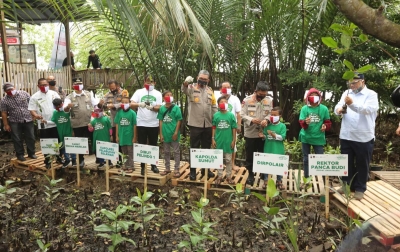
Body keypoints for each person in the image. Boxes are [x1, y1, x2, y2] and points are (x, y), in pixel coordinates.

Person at [334, 73, 378, 200]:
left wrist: (352, 104)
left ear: (362, 81)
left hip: (363, 136)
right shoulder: (347, 93)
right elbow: (338, 106)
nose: (352, 85)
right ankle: (346, 185)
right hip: (346, 134)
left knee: (362, 163)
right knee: (345, 162)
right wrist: (338, 110)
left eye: (354, 83)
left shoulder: (371, 95)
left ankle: (360, 188)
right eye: (350, 83)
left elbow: (367, 110)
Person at [182, 70, 218, 180]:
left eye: (205, 79)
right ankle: (192, 171)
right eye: (201, 78)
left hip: (207, 124)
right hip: (195, 124)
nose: (202, 80)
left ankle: (205, 170)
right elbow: (184, 90)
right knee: (194, 147)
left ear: (208, 80)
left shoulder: (210, 91)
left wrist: (216, 119)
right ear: (197, 77)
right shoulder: (191, 88)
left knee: (206, 148)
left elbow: (213, 106)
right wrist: (185, 83)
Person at [64, 78, 104, 167]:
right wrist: (68, 107)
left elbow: (96, 105)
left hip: (90, 122)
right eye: (76, 83)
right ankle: (81, 160)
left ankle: (99, 158)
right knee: (79, 142)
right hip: (77, 123)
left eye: (80, 83)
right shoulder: (69, 97)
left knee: (94, 140)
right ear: (73, 85)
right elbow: (65, 109)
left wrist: (100, 103)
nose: (78, 85)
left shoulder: (88, 94)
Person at [240, 81, 272, 185]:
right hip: (251, 132)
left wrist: (266, 120)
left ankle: (263, 173)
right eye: (260, 94)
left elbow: (271, 114)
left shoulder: (269, 101)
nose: (262, 96)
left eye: (264, 94)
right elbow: (242, 114)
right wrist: (251, 120)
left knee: (262, 153)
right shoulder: (247, 100)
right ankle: (250, 173)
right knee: (250, 154)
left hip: (263, 132)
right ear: (256, 91)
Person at [130, 74, 162, 175]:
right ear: (144, 82)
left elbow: (160, 107)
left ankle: (153, 165)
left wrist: (152, 107)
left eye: (151, 82)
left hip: (153, 123)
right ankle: (143, 166)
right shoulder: (139, 92)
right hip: (141, 123)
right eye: (147, 82)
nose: (149, 84)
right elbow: (131, 104)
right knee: (142, 144)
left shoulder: (158, 93)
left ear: (155, 83)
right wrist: (140, 104)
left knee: (153, 144)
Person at [28, 78, 61, 168]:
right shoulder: (34, 97)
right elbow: (32, 109)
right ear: (38, 86)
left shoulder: (54, 94)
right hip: (43, 123)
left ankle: (58, 157)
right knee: (46, 142)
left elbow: (60, 105)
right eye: (42, 85)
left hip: (55, 122)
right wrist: (36, 115)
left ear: (48, 85)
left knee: (56, 140)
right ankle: (47, 160)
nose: (44, 86)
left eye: (46, 85)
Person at [298, 88, 331, 178]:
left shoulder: (324, 109)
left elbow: (328, 122)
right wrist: (305, 122)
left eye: (316, 96)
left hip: (318, 137)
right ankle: (306, 178)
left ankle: (322, 179)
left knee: (320, 160)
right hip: (306, 137)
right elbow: (301, 122)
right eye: (311, 96)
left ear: (319, 97)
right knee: (306, 159)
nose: (314, 98)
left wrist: (325, 126)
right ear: (308, 97)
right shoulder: (304, 109)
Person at [0, 82, 36, 161]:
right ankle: (20, 155)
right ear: (5, 91)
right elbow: (4, 113)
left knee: (30, 137)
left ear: (15, 87)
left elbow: (32, 104)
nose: (10, 91)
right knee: (17, 138)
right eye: (8, 90)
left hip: (28, 119)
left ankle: (31, 153)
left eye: (11, 89)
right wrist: (6, 125)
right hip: (14, 121)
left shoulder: (24, 94)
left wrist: (34, 114)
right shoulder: (4, 100)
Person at [259, 107, 287, 190]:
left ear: (280, 116)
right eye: (271, 115)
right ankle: (266, 180)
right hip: (268, 148)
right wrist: (262, 136)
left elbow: (283, 137)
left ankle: (279, 181)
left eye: (275, 115)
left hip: (278, 149)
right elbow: (265, 136)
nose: (272, 116)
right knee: (266, 164)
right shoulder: (267, 126)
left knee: (279, 165)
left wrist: (275, 136)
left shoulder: (282, 126)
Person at [212, 96, 237, 185]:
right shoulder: (215, 115)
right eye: (221, 102)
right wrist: (213, 139)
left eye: (225, 102)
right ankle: (219, 176)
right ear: (218, 105)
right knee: (218, 159)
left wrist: (234, 140)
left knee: (228, 159)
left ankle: (229, 176)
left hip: (228, 141)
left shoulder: (231, 115)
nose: (223, 103)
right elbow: (214, 127)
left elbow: (234, 128)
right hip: (218, 141)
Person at [158, 91, 183, 178]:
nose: (169, 96)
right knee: (166, 151)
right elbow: (160, 121)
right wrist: (160, 134)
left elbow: (179, 120)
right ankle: (167, 168)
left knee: (176, 151)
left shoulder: (176, 108)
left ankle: (177, 168)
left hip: (174, 133)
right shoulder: (161, 108)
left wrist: (176, 132)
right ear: (163, 98)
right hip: (165, 133)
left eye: (171, 95)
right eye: (167, 95)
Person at [219, 81, 242, 171]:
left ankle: (232, 164)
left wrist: (239, 126)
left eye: (228, 87)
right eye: (224, 87)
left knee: (233, 145)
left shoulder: (235, 99)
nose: (227, 89)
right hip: (220, 126)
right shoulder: (218, 98)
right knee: (219, 145)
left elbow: (238, 113)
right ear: (221, 89)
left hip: (231, 127)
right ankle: (220, 164)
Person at [50, 98, 76, 171]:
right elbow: (53, 121)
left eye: (59, 106)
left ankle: (74, 159)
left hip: (69, 131)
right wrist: (46, 122)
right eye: (56, 106)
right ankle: (67, 160)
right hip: (61, 132)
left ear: (62, 104)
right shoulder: (55, 112)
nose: (58, 108)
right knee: (63, 146)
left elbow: (73, 118)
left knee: (71, 145)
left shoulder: (67, 111)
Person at [114, 94, 137, 172]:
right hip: (122, 136)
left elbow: (134, 125)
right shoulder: (119, 113)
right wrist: (117, 136)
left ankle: (131, 166)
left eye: (126, 102)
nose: (124, 104)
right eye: (123, 102)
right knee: (124, 151)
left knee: (130, 151)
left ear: (129, 103)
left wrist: (134, 137)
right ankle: (126, 165)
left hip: (129, 136)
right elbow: (117, 124)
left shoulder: (132, 113)